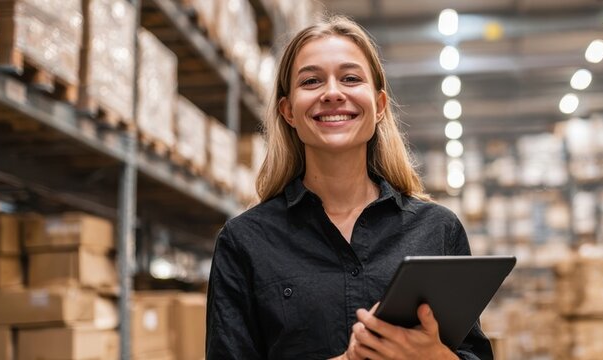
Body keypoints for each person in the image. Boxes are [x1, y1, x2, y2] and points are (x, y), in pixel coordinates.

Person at [205, 16, 493, 359]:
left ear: (380, 106)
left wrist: (434, 356)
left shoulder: (437, 231)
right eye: (311, 81)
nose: (332, 93)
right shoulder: (244, 243)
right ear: (288, 111)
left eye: (350, 78)